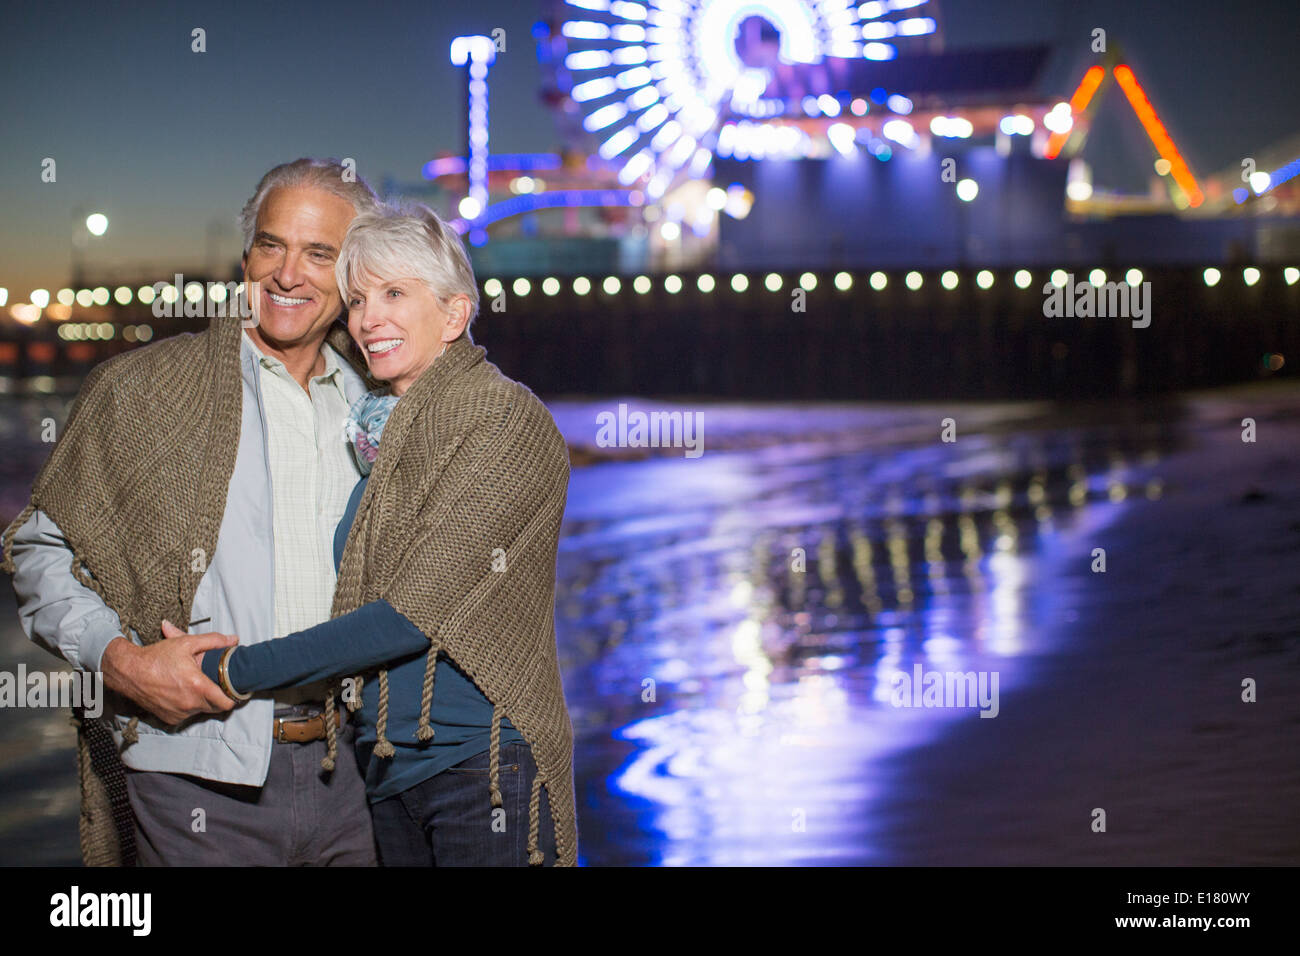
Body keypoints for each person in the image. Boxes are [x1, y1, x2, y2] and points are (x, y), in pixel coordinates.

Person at [2, 158, 384, 865]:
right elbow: (37, 547)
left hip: (357, 775)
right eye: (272, 245)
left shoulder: (378, 403)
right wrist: (118, 661)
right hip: (196, 782)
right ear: (245, 260)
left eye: (319, 253)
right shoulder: (145, 388)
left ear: (353, 274)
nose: (288, 274)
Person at [190, 202, 578, 866]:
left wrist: (228, 668)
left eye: (395, 293)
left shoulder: (505, 422)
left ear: (454, 315)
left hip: (484, 770)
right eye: (359, 298)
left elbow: (408, 617)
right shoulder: (382, 438)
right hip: (388, 772)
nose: (368, 319)